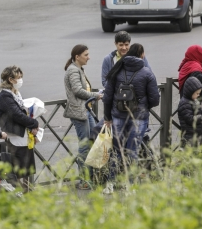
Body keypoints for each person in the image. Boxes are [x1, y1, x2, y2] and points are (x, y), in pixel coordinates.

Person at [102, 44, 159, 194]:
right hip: (138, 118)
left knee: (116, 150)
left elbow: (107, 97)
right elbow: (155, 99)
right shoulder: (147, 72)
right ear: (141, 55)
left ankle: (110, 184)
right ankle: (130, 186)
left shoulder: (117, 70)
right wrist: (143, 106)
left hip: (118, 116)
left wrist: (107, 117)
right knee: (133, 151)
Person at [63, 45, 102, 190]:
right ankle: (84, 180)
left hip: (85, 110)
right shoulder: (73, 70)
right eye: (86, 55)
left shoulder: (78, 69)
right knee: (85, 146)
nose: (88, 57)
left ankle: (90, 177)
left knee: (91, 143)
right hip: (79, 113)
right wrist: (95, 95)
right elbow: (78, 91)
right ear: (77, 56)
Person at [0, 66, 39, 192]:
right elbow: (17, 115)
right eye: (18, 78)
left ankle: (26, 192)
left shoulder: (15, 93)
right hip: (15, 137)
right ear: (10, 79)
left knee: (26, 168)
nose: (20, 80)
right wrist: (34, 123)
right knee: (17, 170)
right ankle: (19, 194)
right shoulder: (5, 96)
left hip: (23, 136)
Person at [178, 77, 202, 147]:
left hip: (196, 135)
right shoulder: (185, 103)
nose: (198, 95)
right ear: (190, 92)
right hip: (189, 136)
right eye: (197, 93)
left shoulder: (194, 100)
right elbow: (190, 119)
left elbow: (198, 113)